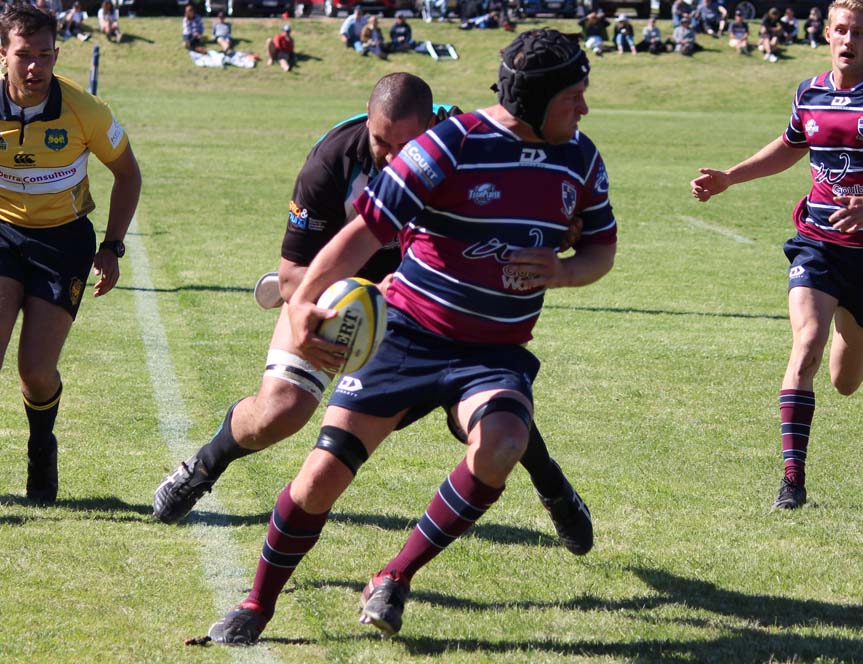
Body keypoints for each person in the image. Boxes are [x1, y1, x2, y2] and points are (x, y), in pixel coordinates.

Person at [205, 29, 616, 645]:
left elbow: (601, 249)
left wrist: (563, 271)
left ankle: (394, 577)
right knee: (320, 479)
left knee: (504, 442)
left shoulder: (580, 157)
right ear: (533, 100)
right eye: (572, 96)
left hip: (492, 353)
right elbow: (365, 231)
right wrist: (305, 301)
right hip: (406, 335)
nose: (584, 107)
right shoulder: (450, 144)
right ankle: (257, 603)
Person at [155, 71, 593, 560]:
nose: (391, 155)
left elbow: (524, 206)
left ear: (432, 126)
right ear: (367, 121)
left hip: (428, 303)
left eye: (405, 144)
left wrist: (563, 227)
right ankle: (202, 467)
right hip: (337, 291)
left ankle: (552, 486)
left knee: (487, 409)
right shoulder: (332, 162)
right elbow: (294, 276)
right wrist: (358, 298)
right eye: (381, 141)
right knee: (279, 411)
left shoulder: (465, 146)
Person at [690, 0, 863, 510]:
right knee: (806, 345)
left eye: (859, 32)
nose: (848, 39)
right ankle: (792, 481)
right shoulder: (809, 93)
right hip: (818, 242)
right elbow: (790, 145)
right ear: (827, 34)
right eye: (841, 30)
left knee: (844, 383)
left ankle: (861, 339)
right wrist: (730, 178)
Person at [0, 3, 141, 503]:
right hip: (3, 235)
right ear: (3, 54)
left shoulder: (87, 110)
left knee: (36, 372)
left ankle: (41, 447)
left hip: (62, 243)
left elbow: (128, 174)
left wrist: (112, 246)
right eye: (24, 55)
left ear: (57, 54)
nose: (34, 66)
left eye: (45, 55)